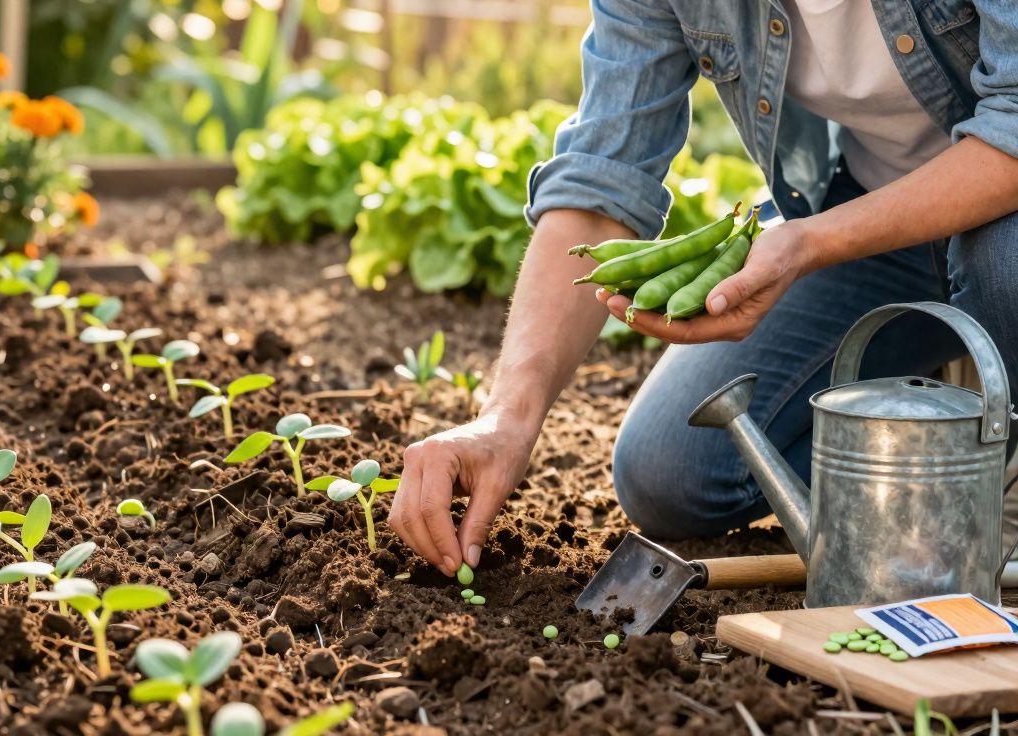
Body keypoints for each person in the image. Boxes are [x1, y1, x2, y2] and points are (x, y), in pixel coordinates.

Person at [388, 0, 1018, 578]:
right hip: (869, 218)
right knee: (674, 470)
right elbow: (603, 176)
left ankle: (999, 463)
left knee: (1000, 262)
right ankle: (958, 433)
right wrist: (506, 418)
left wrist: (806, 244)